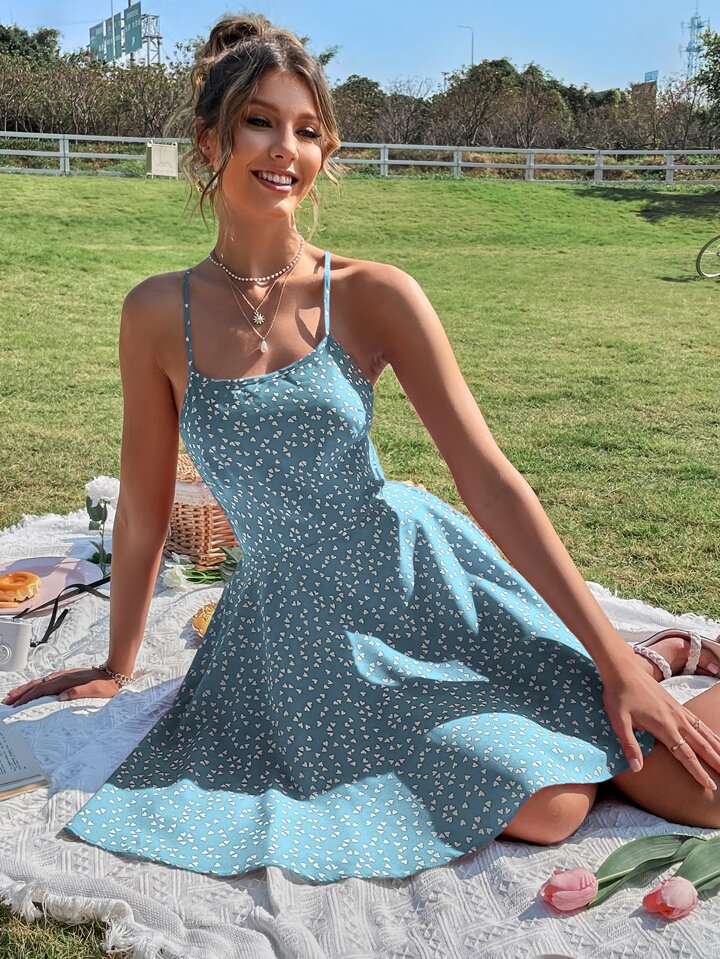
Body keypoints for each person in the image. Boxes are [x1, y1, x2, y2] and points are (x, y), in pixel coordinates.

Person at [3, 13, 720, 883]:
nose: (286, 148)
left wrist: (608, 658)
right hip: (290, 628)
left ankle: (650, 661)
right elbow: (145, 509)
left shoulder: (375, 294)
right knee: (549, 805)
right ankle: (652, 662)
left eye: (308, 130)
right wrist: (118, 667)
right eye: (260, 121)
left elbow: (488, 478)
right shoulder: (156, 313)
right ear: (210, 139)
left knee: (696, 791)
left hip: (419, 581)